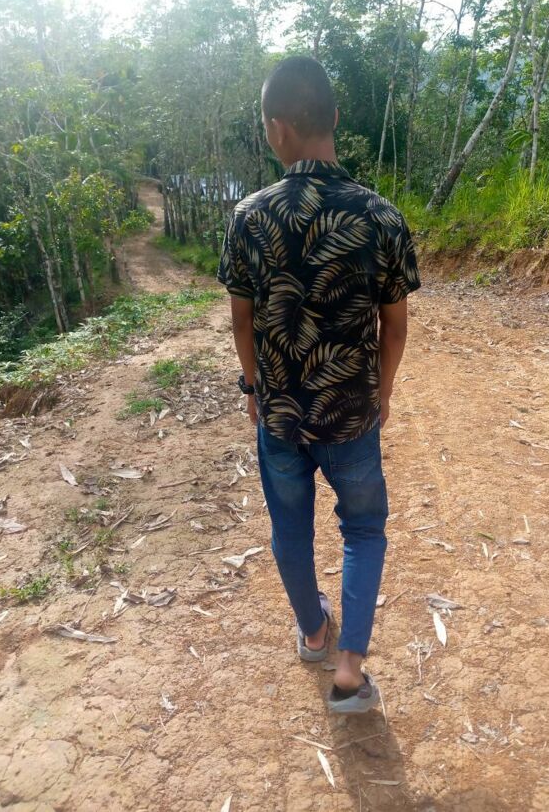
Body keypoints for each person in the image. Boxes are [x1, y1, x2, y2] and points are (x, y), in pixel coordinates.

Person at [217, 55, 420, 714]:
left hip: (280, 415)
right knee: (363, 529)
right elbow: (395, 327)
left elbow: (241, 321)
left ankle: (312, 633)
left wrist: (253, 389)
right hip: (351, 414)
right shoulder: (381, 217)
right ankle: (349, 671)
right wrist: (382, 392)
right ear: (334, 117)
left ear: (277, 128)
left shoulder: (249, 217)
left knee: (290, 529)